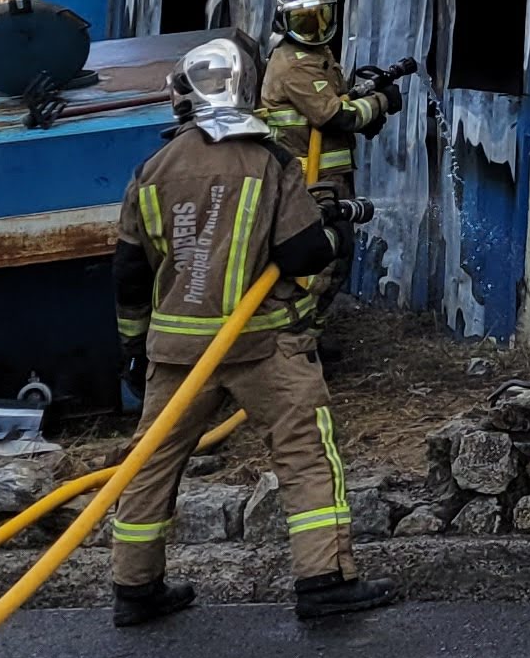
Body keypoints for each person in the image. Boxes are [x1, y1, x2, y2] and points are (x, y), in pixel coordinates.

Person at [106, 36, 387, 626]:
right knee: (305, 453)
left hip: (178, 352)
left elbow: (130, 273)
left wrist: (134, 347)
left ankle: (135, 588)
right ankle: (323, 580)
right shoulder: (268, 160)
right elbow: (304, 252)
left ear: (182, 97)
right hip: (265, 345)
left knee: (152, 462)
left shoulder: (152, 169)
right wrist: (336, 233)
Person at [256, 0, 388, 329]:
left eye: (321, 18)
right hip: (308, 182)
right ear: (284, 21)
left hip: (330, 178)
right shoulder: (293, 62)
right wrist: (379, 103)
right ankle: (296, 343)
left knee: (339, 255)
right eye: (305, 21)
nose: (315, 29)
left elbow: (334, 100)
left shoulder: (316, 54)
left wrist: (363, 97)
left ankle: (307, 337)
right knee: (319, 262)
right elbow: (331, 114)